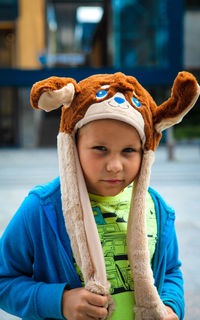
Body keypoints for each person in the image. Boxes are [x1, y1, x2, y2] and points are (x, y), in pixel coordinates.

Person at [0, 71, 199, 320]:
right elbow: (4, 280)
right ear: (72, 146)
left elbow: (170, 271)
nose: (114, 165)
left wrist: (171, 307)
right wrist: (59, 302)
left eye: (129, 150)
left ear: (145, 153)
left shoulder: (156, 209)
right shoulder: (42, 209)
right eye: (100, 149)